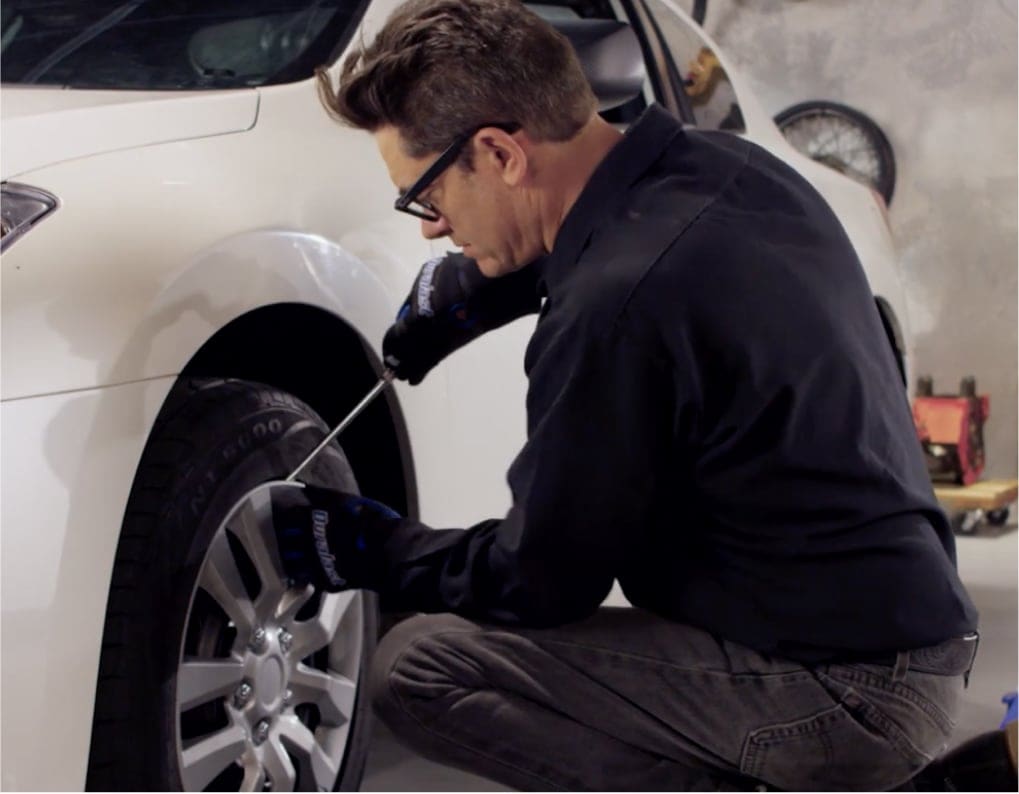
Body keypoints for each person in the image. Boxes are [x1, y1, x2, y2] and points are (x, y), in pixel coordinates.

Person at [271, 0, 1015, 789]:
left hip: (843, 694)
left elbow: (541, 581)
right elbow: (648, 244)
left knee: (417, 668)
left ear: (497, 153)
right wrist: (480, 284)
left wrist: (376, 549)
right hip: (915, 643)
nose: (429, 229)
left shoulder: (611, 311)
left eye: (426, 196)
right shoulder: (737, 170)